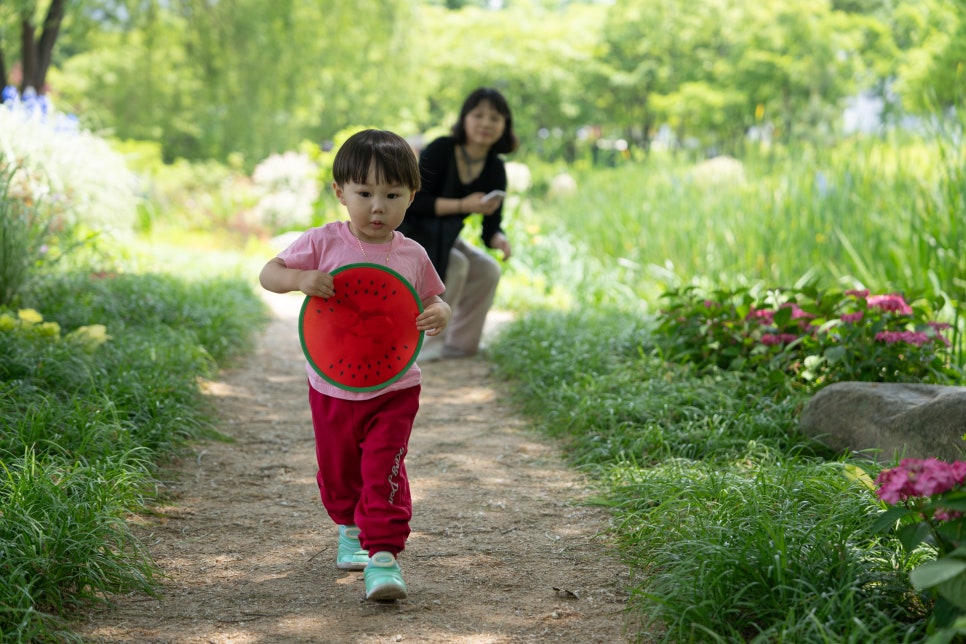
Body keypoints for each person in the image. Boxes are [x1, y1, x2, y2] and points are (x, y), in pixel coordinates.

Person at [259, 129, 451, 602]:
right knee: (339, 469)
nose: (377, 207)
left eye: (392, 195)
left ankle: (383, 556)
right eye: (364, 194)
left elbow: (435, 298)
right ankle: (348, 526)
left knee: (384, 464)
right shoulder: (323, 242)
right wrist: (301, 277)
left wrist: (440, 313)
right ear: (340, 192)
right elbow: (269, 274)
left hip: (395, 385)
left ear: (412, 196)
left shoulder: (412, 253)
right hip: (333, 387)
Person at [398, 87, 518, 360]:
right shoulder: (442, 148)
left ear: (504, 126)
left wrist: (499, 239)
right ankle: (426, 346)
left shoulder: (495, 167)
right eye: (478, 115)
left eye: (495, 118)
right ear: (464, 119)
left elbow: (491, 226)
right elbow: (414, 202)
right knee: (457, 264)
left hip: (448, 237)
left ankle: (461, 345)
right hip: (413, 234)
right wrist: (465, 205)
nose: (486, 123)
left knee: (488, 269)